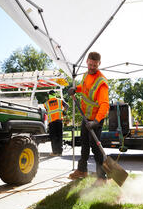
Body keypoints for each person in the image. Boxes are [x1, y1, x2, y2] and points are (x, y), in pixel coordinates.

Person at [68, 52, 109, 185]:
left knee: (95, 148)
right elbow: (85, 88)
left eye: (94, 65)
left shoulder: (101, 82)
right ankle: (82, 170)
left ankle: (102, 177)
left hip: (96, 119)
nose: (92, 67)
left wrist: (96, 122)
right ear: (87, 62)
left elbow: (104, 104)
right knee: (84, 144)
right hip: (86, 118)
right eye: (90, 64)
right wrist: (75, 89)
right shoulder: (85, 75)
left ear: (99, 64)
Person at [44, 90, 68, 156]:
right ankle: (60, 152)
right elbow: (67, 106)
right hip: (59, 121)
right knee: (60, 136)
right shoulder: (60, 100)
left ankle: (55, 152)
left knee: (53, 137)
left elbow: (46, 111)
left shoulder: (46, 103)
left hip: (52, 122)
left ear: (49, 95)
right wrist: (64, 112)